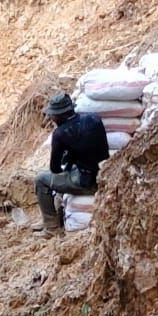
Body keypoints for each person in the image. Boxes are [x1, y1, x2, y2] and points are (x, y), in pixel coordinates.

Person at [34, 92, 110, 236]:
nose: (50, 118)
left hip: (86, 182)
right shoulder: (94, 118)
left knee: (41, 180)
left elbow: (55, 169)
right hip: (103, 174)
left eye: (52, 115)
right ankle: (55, 217)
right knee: (65, 174)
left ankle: (51, 228)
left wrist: (67, 156)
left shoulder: (60, 134)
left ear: (57, 116)